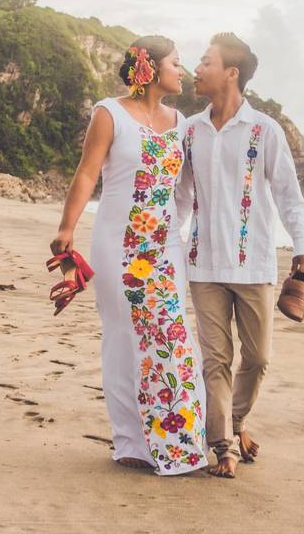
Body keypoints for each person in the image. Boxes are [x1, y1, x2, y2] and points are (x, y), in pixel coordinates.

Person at [50, 35, 208, 475]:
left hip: (164, 245)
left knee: (173, 334)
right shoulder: (109, 113)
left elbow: (184, 190)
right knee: (124, 337)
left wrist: (173, 230)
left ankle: (182, 443)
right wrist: (66, 228)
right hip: (116, 241)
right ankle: (131, 444)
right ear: (151, 68)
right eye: (176, 62)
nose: (183, 69)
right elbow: (86, 174)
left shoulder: (181, 123)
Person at [180, 32, 304, 478]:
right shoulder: (191, 130)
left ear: (231, 73)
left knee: (257, 359)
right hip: (202, 263)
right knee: (215, 360)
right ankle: (222, 446)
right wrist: (159, 243)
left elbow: (288, 197)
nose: (196, 69)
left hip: (253, 263)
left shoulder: (265, 131)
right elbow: (180, 198)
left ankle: (234, 422)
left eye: (206, 61)